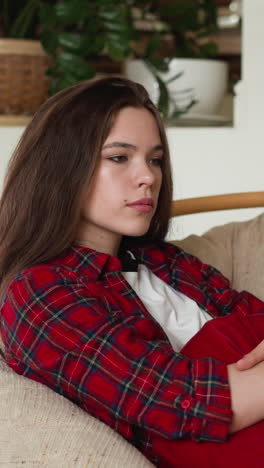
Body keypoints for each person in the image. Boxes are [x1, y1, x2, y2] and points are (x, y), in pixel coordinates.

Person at [0, 77, 264, 468]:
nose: (149, 177)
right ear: (63, 165)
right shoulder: (40, 293)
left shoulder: (166, 261)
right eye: (120, 157)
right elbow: (187, 404)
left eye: (154, 159)